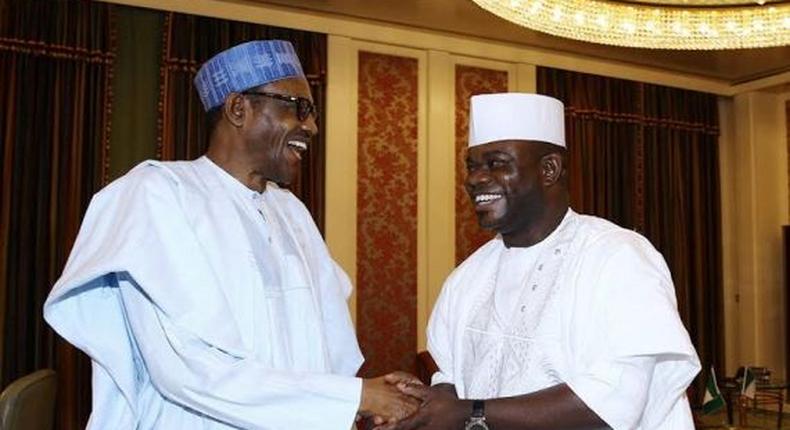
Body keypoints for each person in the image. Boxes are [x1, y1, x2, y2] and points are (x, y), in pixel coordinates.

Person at [44, 40, 417, 429]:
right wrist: (355, 397)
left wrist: (364, 400)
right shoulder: (156, 194)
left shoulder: (292, 212)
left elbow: (324, 350)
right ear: (239, 108)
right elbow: (186, 369)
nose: (311, 126)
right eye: (297, 107)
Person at [383, 93, 700, 430]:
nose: (475, 179)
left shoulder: (618, 257)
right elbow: (450, 380)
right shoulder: (466, 278)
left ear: (549, 169)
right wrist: (420, 404)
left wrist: (468, 412)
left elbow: (611, 405)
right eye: (472, 166)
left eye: (496, 162)